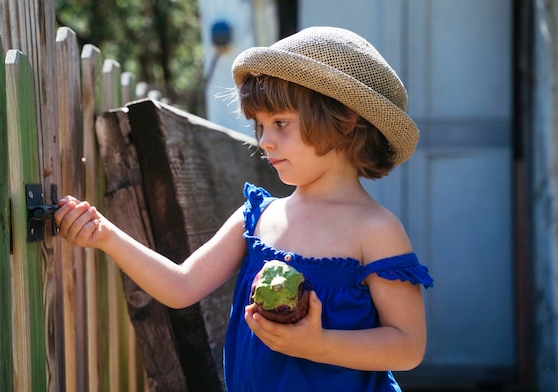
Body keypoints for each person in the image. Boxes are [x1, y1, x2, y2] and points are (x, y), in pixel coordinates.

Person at [54, 26, 434, 392]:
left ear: (345, 122)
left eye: (281, 123)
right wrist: (105, 235)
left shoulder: (375, 230)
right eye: (260, 125)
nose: (265, 141)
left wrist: (316, 344)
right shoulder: (257, 219)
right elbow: (181, 286)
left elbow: (408, 345)